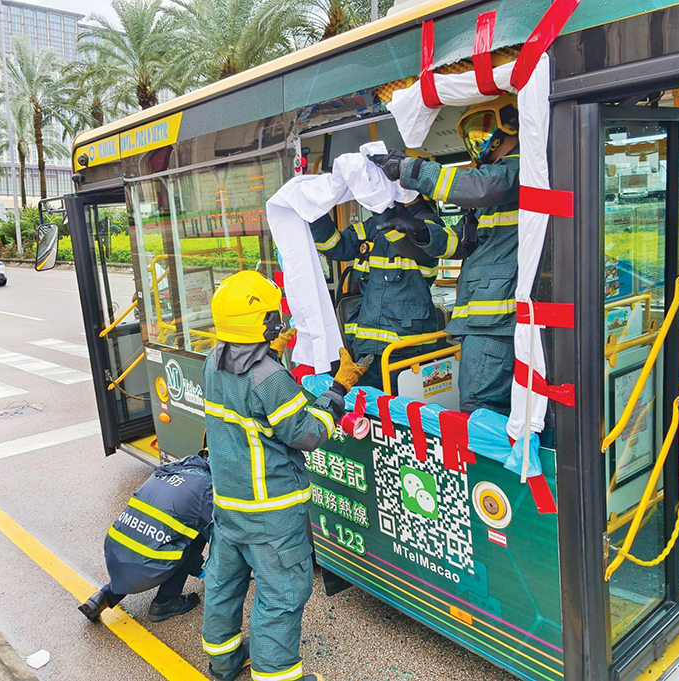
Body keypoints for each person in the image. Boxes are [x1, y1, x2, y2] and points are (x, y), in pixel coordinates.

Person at [201, 270, 367, 681]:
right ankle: (276, 676)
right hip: (272, 514)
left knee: (224, 585)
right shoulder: (270, 379)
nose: (285, 323)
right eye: (278, 319)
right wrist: (339, 390)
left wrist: (273, 349)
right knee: (281, 595)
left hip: (230, 505)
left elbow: (254, 408)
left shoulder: (213, 361)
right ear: (267, 325)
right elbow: (306, 433)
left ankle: (222, 663)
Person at [369, 94, 521, 415]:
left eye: (481, 131)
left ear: (512, 125)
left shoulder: (519, 171)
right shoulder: (495, 190)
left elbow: (477, 186)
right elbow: (459, 244)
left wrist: (409, 169)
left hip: (494, 324)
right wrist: (422, 232)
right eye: (471, 136)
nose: (477, 143)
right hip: (484, 324)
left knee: (480, 410)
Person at [309, 196, 451, 391]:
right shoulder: (373, 226)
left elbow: (408, 243)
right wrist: (315, 210)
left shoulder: (427, 226)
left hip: (404, 349)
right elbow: (335, 246)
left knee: (400, 415)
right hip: (366, 347)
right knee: (368, 414)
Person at [79, 452, 214, 623]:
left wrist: (198, 569)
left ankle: (103, 596)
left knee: (150, 543)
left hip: (116, 553)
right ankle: (165, 602)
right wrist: (209, 571)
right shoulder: (206, 488)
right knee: (195, 536)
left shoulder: (167, 470)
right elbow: (220, 538)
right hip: (146, 562)